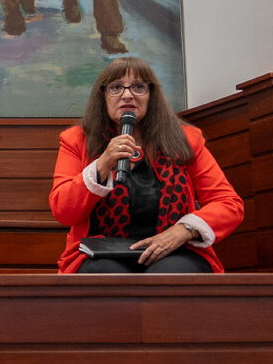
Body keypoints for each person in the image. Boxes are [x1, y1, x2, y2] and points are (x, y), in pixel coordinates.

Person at [48, 57, 244, 274]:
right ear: (102, 95)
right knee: (105, 275)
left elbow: (228, 203)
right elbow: (63, 211)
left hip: (174, 252)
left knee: (170, 274)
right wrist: (103, 163)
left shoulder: (186, 139)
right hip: (102, 254)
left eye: (139, 87)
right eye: (116, 87)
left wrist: (183, 231)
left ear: (152, 95)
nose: (127, 94)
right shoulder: (77, 140)